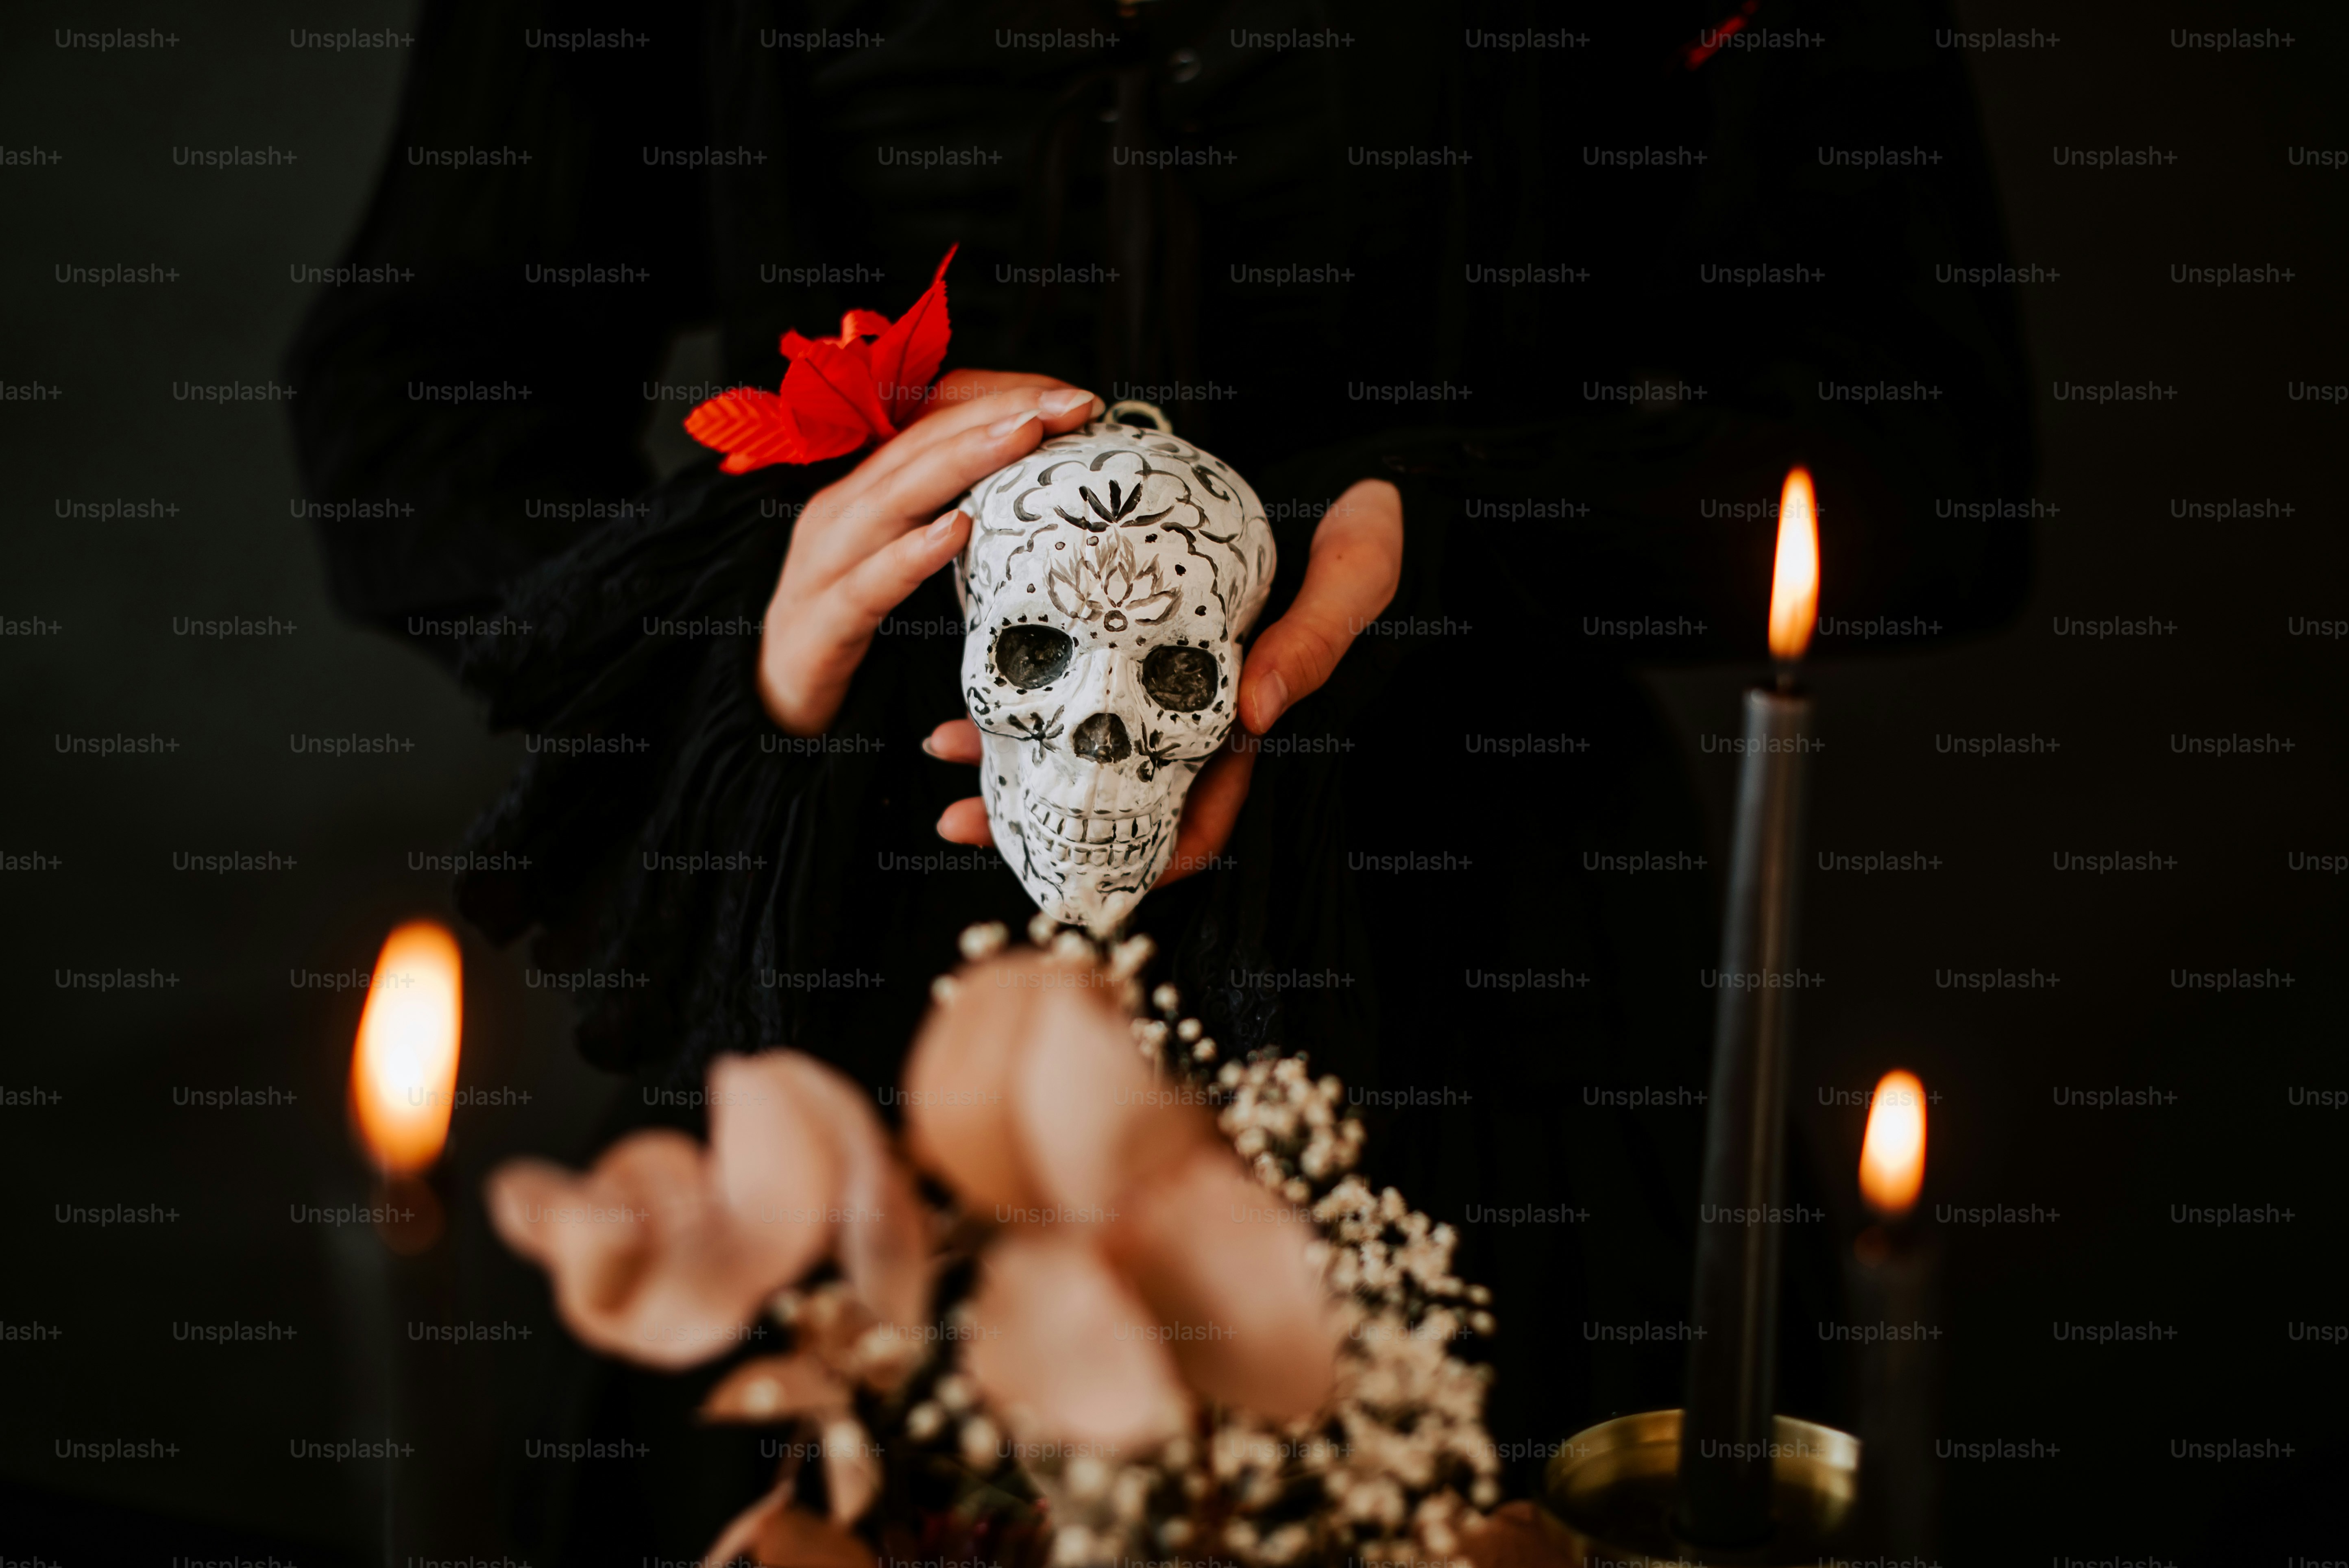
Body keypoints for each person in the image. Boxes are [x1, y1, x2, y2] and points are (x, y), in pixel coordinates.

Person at [288, 0, 2033, 1556]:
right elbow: (409, 428)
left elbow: (1926, 466)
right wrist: (751, 577)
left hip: (1505, 1011)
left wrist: (1445, 523)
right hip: (851, 991)